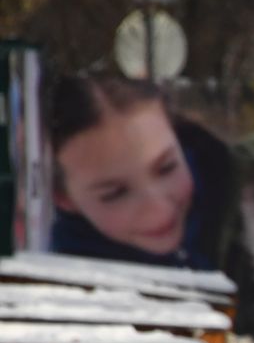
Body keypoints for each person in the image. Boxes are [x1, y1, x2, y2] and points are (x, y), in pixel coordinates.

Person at [45, 74, 237, 271]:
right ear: (63, 197)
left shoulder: (239, 186)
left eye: (167, 168)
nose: (158, 211)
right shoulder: (69, 282)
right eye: (115, 194)